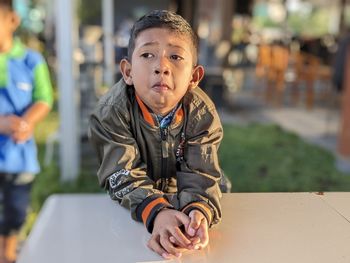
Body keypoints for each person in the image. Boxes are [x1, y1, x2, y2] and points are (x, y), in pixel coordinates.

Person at [89, 10, 228, 259]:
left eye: (175, 56)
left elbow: (201, 172)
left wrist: (199, 211)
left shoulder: (201, 113)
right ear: (128, 72)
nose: (161, 67)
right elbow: (122, 173)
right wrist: (159, 212)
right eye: (147, 55)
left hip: (190, 193)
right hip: (135, 203)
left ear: (194, 77)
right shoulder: (111, 112)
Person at [0, 0, 53, 262]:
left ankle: (9, 253)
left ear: (12, 21)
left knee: (16, 210)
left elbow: (44, 98)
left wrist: (26, 122)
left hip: (19, 157)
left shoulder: (32, 60)